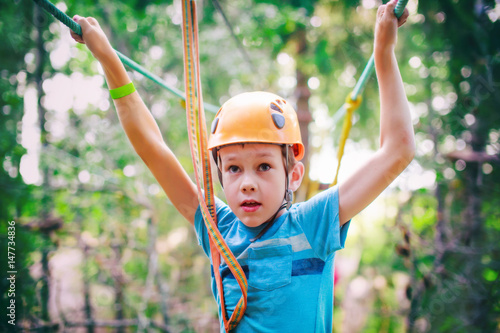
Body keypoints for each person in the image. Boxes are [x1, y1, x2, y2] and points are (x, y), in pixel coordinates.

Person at [70, 0, 413, 331]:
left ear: (293, 175)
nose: (247, 182)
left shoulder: (313, 224)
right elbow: (153, 149)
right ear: (221, 177)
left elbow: (397, 151)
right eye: (233, 169)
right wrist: (108, 60)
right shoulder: (216, 228)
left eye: (263, 166)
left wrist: (383, 52)